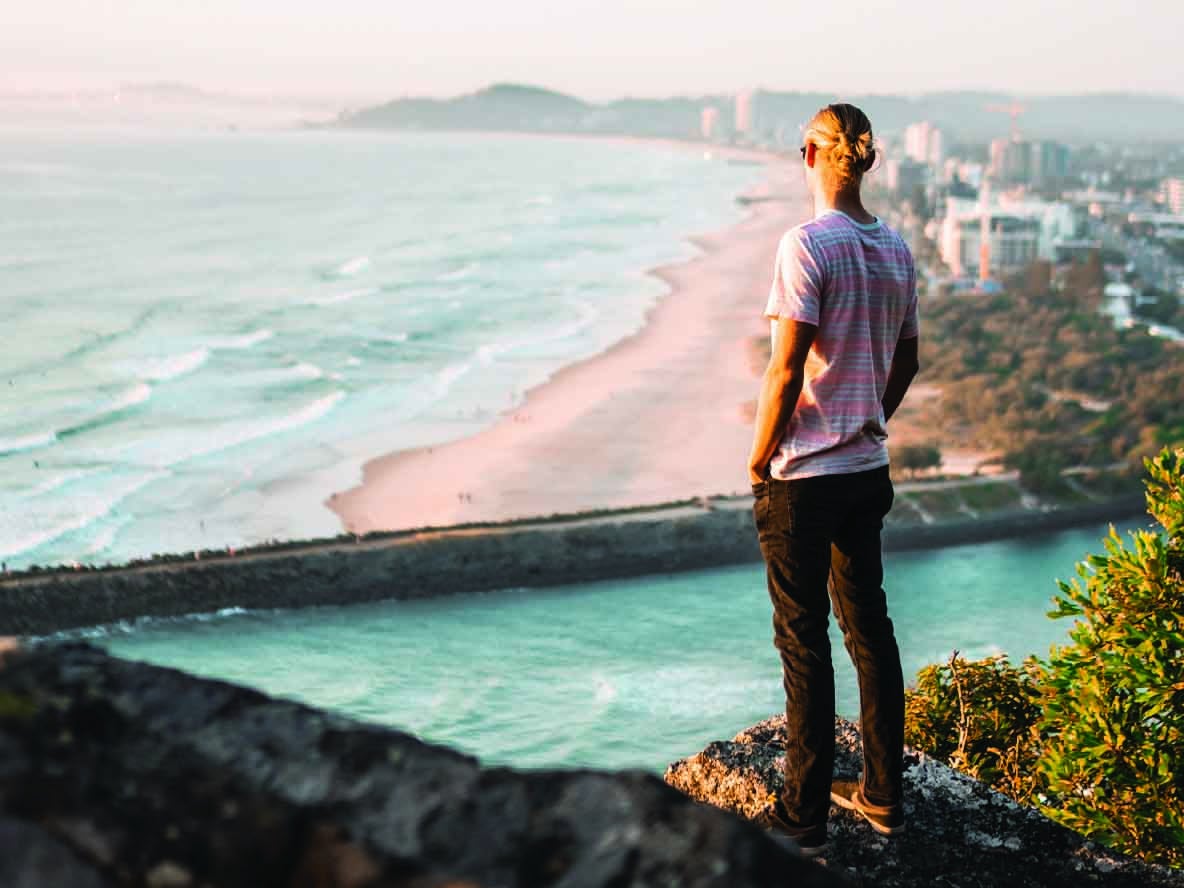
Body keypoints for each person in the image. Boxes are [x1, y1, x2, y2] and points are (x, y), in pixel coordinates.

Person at [747, 103, 920, 857]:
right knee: (870, 633)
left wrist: (761, 457)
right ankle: (882, 794)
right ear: (868, 161)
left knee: (803, 644)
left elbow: (786, 369)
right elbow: (906, 360)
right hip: (865, 468)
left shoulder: (805, 244)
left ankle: (803, 817)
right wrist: (866, 419)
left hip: (805, 478)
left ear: (808, 156)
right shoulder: (898, 249)